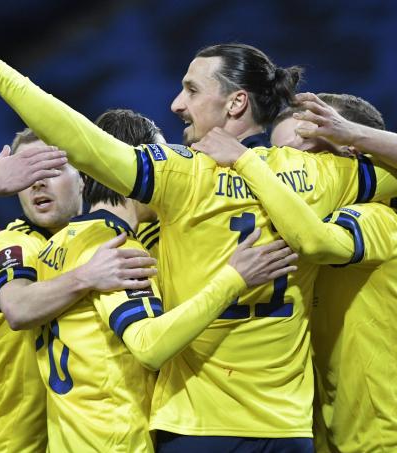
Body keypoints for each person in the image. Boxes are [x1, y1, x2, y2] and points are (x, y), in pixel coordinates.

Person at [0, 28, 397, 451]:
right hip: (288, 428)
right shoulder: (320, 176)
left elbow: (82, 141)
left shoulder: (178, 176)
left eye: (192, 90)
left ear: (236, 101)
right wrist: (358, 138)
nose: (177, 104)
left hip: (196, 424)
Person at [32, 108, 297, 452]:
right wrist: (234, 279)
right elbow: (149, 346)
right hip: (117, 442)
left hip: (69, 439)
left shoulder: (55, 246)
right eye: (159, 167)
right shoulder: (117, 251)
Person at [193, 93, 397, 451]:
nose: (292, 169)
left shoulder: (382, 215)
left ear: (353, 152)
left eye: (308, 152)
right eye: (281, 157)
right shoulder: (277, 231)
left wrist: (351, 133)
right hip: (331, 439)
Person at [0, 127, 158, 453]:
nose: (37, 182)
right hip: (20, 443)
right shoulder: (16, 243)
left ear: (83, 179)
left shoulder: (109, 238)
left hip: (86, 437)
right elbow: (18, 308)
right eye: (27, 173)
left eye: (50, 170)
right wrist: (87, 276)